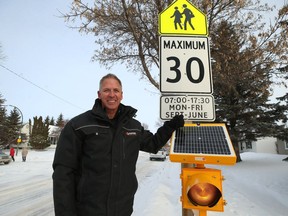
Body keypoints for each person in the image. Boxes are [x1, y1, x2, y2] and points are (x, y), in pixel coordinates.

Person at [52, 73, 184, 216]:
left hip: (122, 209)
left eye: (116, 90)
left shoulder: (132, 126)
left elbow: (152, 144)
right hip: (88, 210)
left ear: (121, 95)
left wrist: (170, 127)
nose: (111, 94)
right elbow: (63, 173)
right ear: (99, 94)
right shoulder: (78, 125)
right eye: (106, 90)